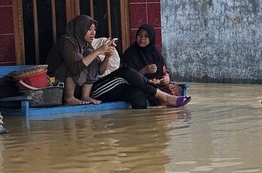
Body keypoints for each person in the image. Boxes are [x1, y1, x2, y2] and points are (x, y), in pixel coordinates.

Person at [46, 15, 191, 108]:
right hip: (64, 86)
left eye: (94, 29)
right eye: (89, 29)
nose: (93, 32)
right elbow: (75, 67)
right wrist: (98, 51)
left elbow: (99, 70)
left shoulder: (86, 46)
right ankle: (164, 97)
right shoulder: (67, 42)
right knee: (126, 72)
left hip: (91, 87)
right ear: (79, 29)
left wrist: (107, 55)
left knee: (138, 98)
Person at [122, 23, 183, 105]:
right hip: (141, 85)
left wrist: (166, 78)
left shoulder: (156, 53)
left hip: (157, 84)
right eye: (139, 35)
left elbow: (165, 70)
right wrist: (144, 70)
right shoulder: (130, 54)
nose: (142, 39)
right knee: (147, 92)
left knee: (175, 88)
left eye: (146, 36)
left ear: (151, 38)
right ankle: (164, 101)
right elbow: (128, 77)